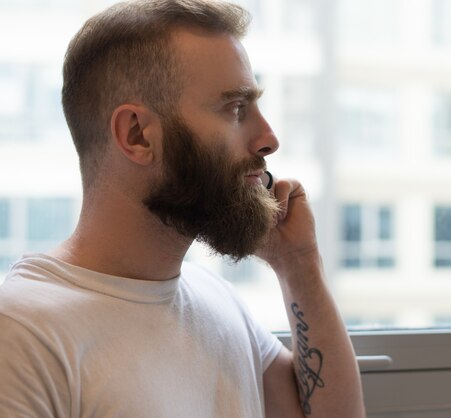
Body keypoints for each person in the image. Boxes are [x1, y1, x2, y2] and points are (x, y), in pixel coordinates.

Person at [0, 0, 366, 417]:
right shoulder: (23, 333)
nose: (268, 139)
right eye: (235, 109)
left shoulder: (217, 302)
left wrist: (299, 265)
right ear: (137, 135)